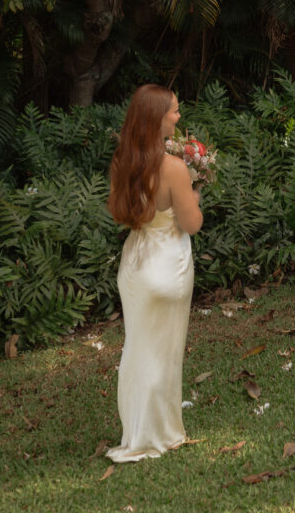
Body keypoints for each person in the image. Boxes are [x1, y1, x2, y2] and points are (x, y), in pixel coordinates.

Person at [106, 84, 203, 463]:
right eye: (174, 112)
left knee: (138, 349)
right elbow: (190, 224)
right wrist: (194, 198)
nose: (178, 117)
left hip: (134, 266)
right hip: (168, 265)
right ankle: (156, 434)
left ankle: (139, 429)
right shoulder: (174, 168)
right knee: (164, 353)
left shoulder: (123, 162)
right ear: (156, 119)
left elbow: (121, 213)